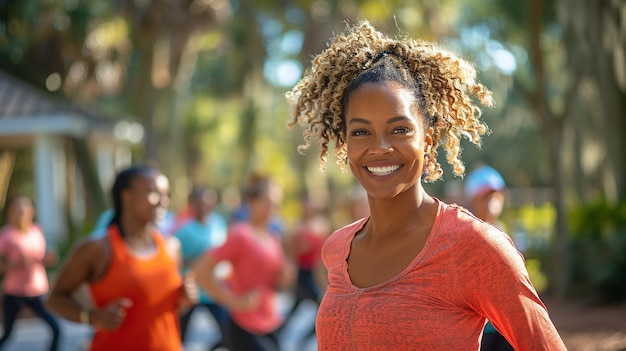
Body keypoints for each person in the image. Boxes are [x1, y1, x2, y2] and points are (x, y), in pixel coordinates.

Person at [285, 20, 566, 350]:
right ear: (345, 144)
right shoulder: (337, 249)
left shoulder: (473, 247)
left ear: (428, 141)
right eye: (361, 132)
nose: (380, 148)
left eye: (400, 129)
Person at [45, 164, 197, 351]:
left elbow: (160, 308)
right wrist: (93, 317)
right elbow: (55, 299)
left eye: (166, 195)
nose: (163, 202)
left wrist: (183, 299)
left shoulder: (172, 247)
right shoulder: (97, 249)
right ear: (126, 196)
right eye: (154, 193)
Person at [192, 173, 293, 351]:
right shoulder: (241, 235)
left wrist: (284, 277)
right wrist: (234, 301)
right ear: (252, 202)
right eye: (268, 202)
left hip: (270, 323)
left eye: (277, 203)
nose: (273, 208)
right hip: (244, 325)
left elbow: (276, 284)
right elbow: (200, 272)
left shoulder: (273, 238)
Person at [0, 196, 61, 351]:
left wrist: (47, 259)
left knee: (56, 328)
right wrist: (15, 265)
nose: (22, 214)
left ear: (31, 212)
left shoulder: (36, 231)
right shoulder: (6, 235)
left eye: (25, 210)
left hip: (37, 291)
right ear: (11, 213)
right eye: (18, 210)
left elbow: (40, 257)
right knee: (8, 334)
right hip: (14, 293)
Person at [465, 165, 514, 351]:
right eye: (485, 196)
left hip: (505, 326)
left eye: (495, 195)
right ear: (474, 199)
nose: (492, 201)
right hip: (480, 330)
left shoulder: (503, 230)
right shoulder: (467, 233)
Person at [175, 186, 229, 350]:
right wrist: (198, 262)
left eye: (207, 203)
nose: (204, 207)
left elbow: (226, 253)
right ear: (192, 204)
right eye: (199, 203)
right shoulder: (184, 231)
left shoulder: (219, 224)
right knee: (178, 335)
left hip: (213, 290)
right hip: (191, 291)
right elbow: (173, 258)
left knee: (228, 331)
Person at [279, 194, 329, 347]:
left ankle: (304, 337)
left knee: (319, 308)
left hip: (315, 272)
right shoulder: (297, 226)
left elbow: (326, 249)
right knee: (316, 307)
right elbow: (289, 251)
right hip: (302, 272)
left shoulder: (321, 225)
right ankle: (279, 331)